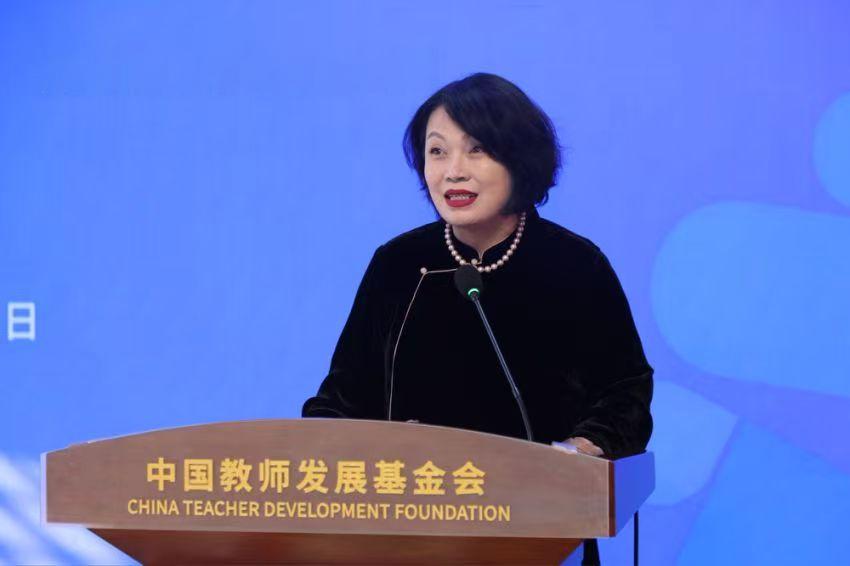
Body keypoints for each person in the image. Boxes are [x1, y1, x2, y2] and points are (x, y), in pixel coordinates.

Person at [302, 71, 652, 462]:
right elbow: (341, 399)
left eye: (477, 149)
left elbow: (625, 395)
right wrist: (335, 443)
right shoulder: (398, 263)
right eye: (437, 151)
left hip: (539, 494)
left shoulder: (575, 264)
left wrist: (576, 452)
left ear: (519, 158)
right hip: (412, 493)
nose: (453, 171)